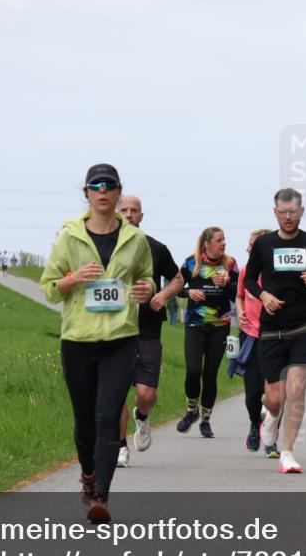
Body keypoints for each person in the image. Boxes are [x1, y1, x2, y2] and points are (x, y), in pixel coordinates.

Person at [39, 163, 154, 523]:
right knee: (85, 421)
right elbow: (49, 289)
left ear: (119, 193)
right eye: (95, 186)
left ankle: (100, 495)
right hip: (78, 340)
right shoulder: (68, 237)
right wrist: (73, 278)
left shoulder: (135, 239)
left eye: (109, 186)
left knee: (108, 416)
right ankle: (88, 476)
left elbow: (147, 277)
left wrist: (146, 289)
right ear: (87, 194)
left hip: (121, 338)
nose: (102, 191)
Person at [243, 188, 306, 473]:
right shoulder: (264, 244)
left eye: (293, 212)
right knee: (275, 398)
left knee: (296, 389)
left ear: (302, 212)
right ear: (275, 213)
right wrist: (263, 296)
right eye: (283, 212)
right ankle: (270, 417)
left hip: (304, 326)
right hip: (272, 328)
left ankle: (287, 452)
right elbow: (249, 280)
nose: (288, 217)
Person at [115, 195, 183, 468]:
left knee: (146, 394)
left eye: (134, 211)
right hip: (115, 329)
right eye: (124, 210)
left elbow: (178, 278)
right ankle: (120, 446)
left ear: (141, 216)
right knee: (117, 390)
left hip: (148, 328)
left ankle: (141, 416)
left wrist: (163, 295)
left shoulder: (155, 248)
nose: (129, 215)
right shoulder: (104, 249)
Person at [176, 227, 239, 438]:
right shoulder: (191, 262)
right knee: (193, 371)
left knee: (210, 375)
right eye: (219, 240)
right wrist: (188, 292)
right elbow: (175, 286)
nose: (224, 243)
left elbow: (239, 294)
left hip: (220, 326)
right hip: (195, 324)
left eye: (224, 239)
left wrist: (228, 284)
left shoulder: (230, 264)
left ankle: (205, 420)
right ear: (207, 243)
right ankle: (191, 410)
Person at [234, 228, 274, 456]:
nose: (248, 249)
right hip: (250, 336)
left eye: (252, 245)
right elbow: (239, 295)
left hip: (274, 337)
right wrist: (240, 312)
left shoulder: (276, 272)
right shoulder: (246, 270)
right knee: (252, 393)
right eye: (248, 244)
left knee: (274, 393)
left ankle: (271, 438)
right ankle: (253, 423)